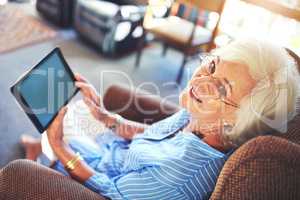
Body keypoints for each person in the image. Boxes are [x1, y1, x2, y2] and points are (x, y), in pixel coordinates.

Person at [20, 38, 300, 200]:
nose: (202, 79)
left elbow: (110, 191)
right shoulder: (202, 119)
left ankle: (44, 152)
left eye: (221, 87)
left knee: (59, 131)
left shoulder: (179, 179)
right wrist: (105, 117)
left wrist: (60, 147)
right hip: (119, 155)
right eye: (212, 64)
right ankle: (42, 148)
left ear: (238, 119)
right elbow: (152, 133)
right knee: (75, 116)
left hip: (108, 179)